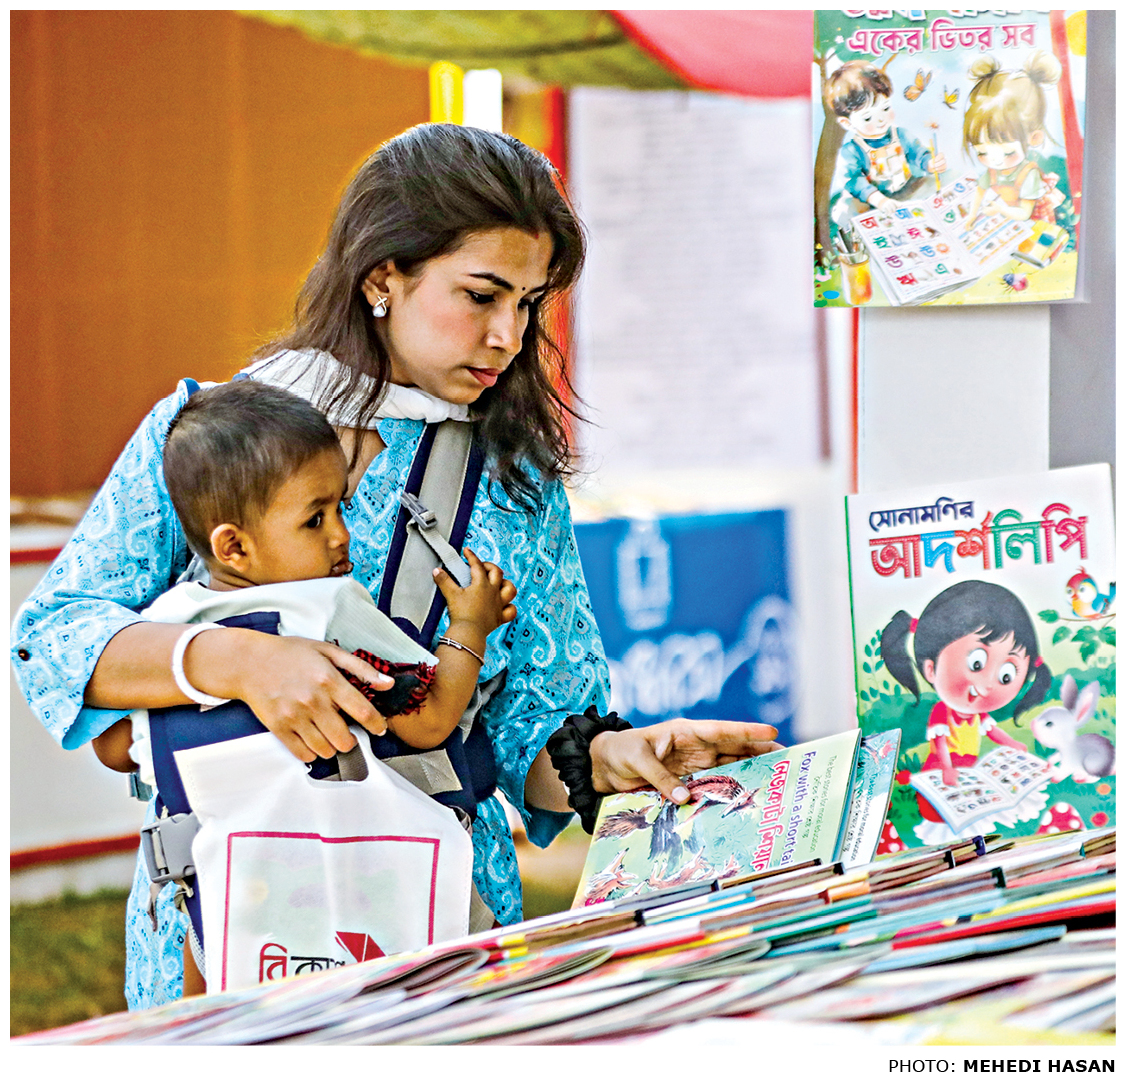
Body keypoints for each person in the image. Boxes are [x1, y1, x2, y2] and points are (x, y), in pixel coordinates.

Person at [11, 123, 779, 1009]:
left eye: (528, 304)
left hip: (440, 923)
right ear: (382, 278)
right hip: (216, 920)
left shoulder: (516, 481)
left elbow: (532, 731)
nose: (508, 335)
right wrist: (242, 660)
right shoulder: (207, 436)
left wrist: (610, 757)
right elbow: (55, 637)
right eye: (481, 295)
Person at [92, 378, 519, 995]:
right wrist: (470, 626)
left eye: (340, 507)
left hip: (224, 896)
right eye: (316, 519)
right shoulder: (331, 608)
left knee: (217, 1031)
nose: (341, 534)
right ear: (233, 546)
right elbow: (429, 721)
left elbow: (115, 750)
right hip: (352, 881)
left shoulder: (163, 627)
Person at [879, 580, 1052, 841]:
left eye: (1006, 675)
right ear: (930, 669)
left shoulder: (978, 715)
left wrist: (1012, 743)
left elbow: (993, 732)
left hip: (970, 770)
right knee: (945, 817)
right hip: (940, 770)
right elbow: (940, 743)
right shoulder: (942, 712)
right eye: (977, 663)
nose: (986, 685)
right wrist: (947, 768)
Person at [826, 59, 946, 225]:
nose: (881, 119)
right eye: (867, 118)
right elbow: (853, 180)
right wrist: (878, 200)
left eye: (885, 108)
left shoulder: (900, 135)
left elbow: (917, 152)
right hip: (870, 199)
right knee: (844, 210)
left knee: (935, 187)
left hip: (904, 189)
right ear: (847, 123)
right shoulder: (852, 150)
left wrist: (929, 163)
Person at [962, 51, 1065, 226]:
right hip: (1008, 223)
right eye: (982, 152)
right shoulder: (993, 171)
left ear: (1034, 138)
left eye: (1008, 153)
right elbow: (980, 191)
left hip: (1034, 226)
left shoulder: (1029, 175)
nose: (995, 160)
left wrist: (999, 209)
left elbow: (1024, 213)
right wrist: (971, 215)